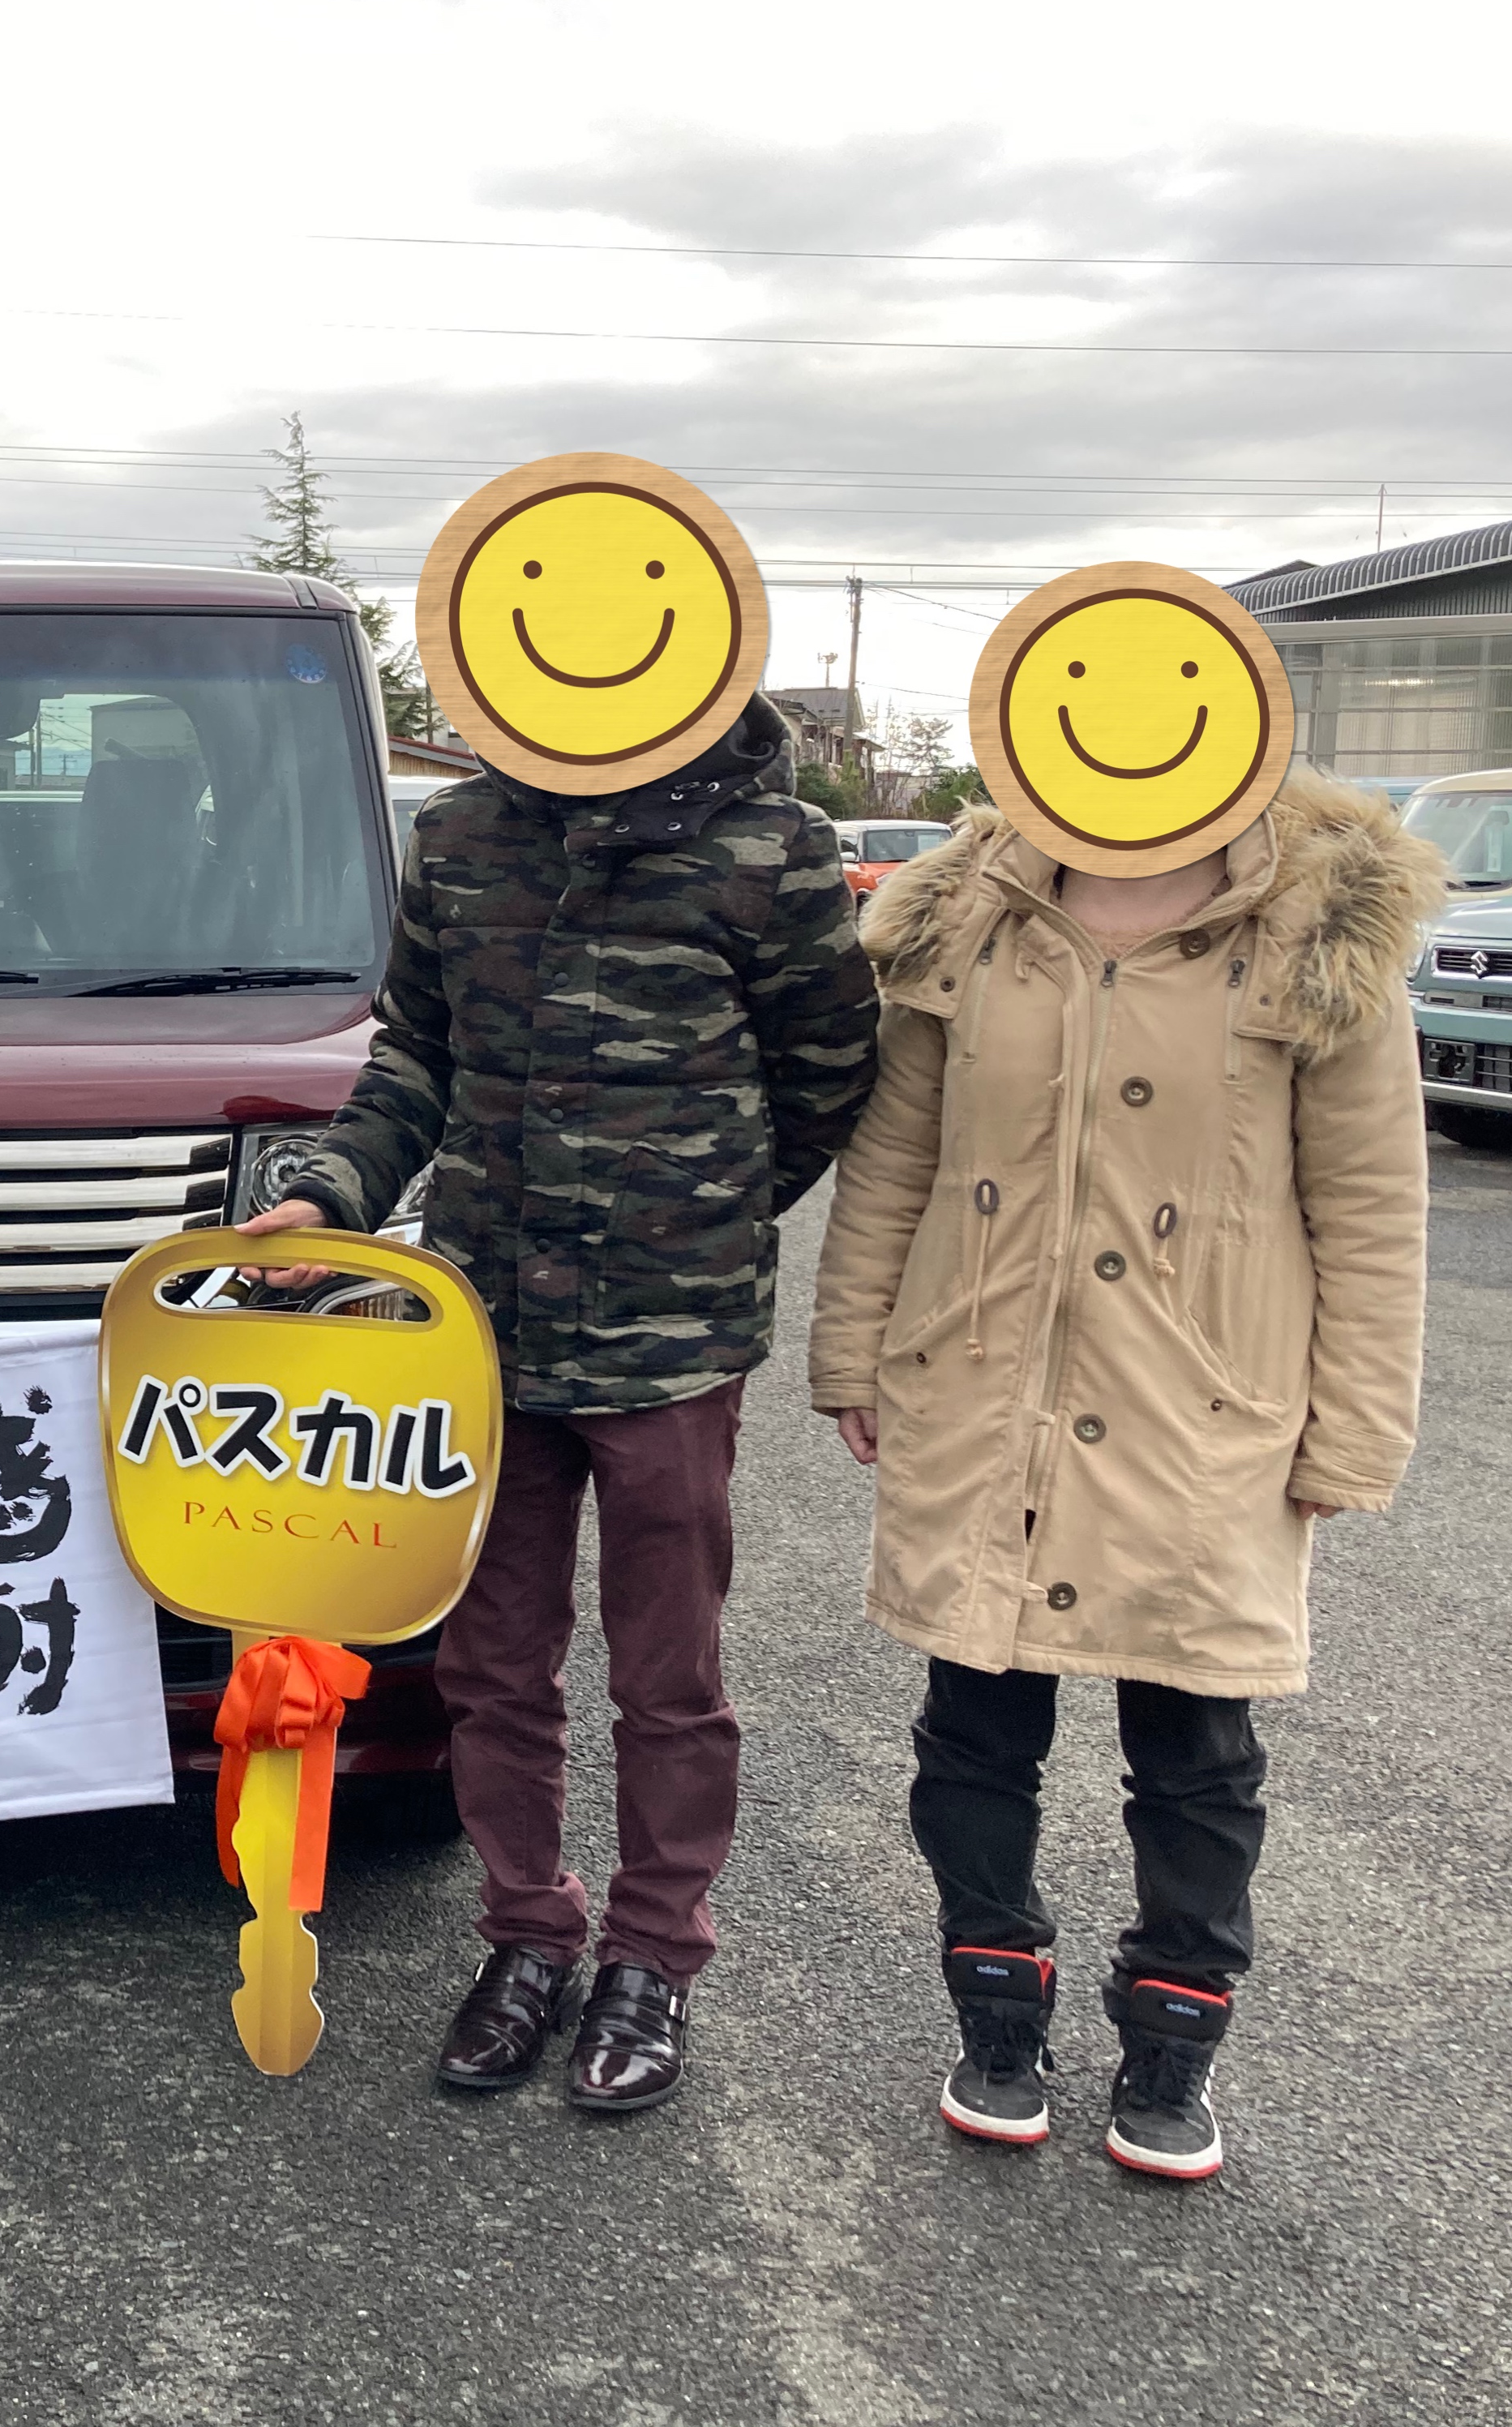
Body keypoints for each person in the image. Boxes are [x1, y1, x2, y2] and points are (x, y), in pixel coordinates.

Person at [245, 694, 879, 2108]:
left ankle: (654, 1951)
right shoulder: (461, 834)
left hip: (671, 1340)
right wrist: (330, 1196)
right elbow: (414, 1053)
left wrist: (706, 1209)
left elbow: (828, 1073)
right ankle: (527, 1931)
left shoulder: (771, 844)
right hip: (482, 1327)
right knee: (489, 1660)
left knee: (669, 1671)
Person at [807, 768, 1441, 2178]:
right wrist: (852, 1345)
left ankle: (1173, 2035)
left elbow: (1371, 1205)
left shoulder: (1316, 924)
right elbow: (894, 1155)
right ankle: (996, 2012)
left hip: (1200, 1403)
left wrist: (1353, 1428)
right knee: (974, 1721)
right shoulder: (965, 911)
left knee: (1198, 1745)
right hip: (987, 1384)